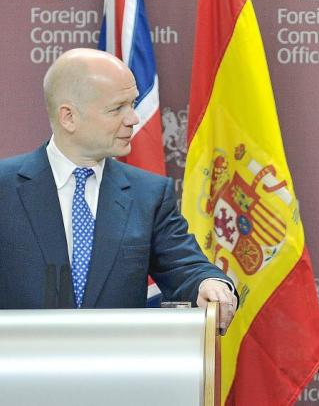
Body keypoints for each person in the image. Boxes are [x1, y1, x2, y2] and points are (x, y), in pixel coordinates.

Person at [0, 48, 237, 332]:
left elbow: (185, 266)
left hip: (118, 357)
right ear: (68, 117)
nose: (133, 118)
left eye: (133, 104)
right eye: (117, 108)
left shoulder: (148, 194)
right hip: (20, 357)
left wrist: (209, 283)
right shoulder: (5, 187)